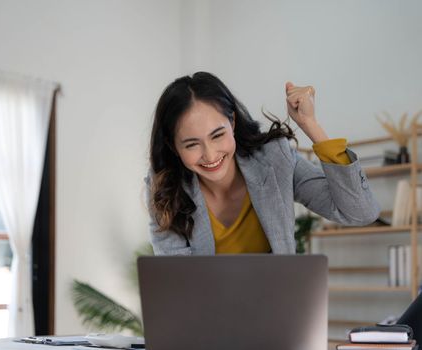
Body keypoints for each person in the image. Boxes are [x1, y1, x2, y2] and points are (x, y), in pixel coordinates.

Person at [145, 71, 380, 255]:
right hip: (209, 314)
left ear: (233, 122)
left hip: (278, 309)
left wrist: (310, 124)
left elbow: (360, 213)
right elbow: (180, 283)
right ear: (172, 145)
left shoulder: (274, 158)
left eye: (217, 135)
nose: (210, 154)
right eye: (191, 144)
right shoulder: (165, 187)